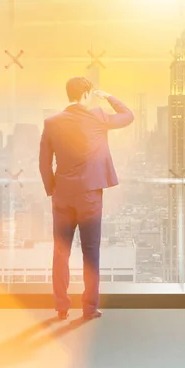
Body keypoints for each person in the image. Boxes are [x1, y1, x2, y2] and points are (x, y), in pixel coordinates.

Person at [39, 77, 134, 320]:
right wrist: (108, 95)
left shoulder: (51, 122)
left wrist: (53, 189)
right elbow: (127, 115)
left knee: (61, 252)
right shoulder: (98, 116)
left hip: (62, 195)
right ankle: (89, 309)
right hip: (90, 195)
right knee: (90, 252)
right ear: (86, 94)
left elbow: (44, 162)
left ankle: (61, 306)